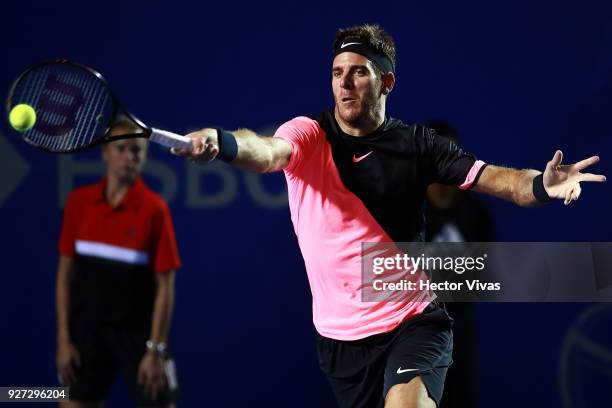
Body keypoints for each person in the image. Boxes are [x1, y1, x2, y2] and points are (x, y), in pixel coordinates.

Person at [172, 24, 606, 408]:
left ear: (387, 82)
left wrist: (543, 186)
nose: (346, 84)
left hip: (413, 322)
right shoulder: (309, 134)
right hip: (340, 342)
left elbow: (502, 182)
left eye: (360, 72)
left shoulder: (419, 144)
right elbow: (266, 152)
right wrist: (222, 141)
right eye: (338, 73)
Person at [56, 116, 181, 408]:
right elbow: (65, 274)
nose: (130, 157)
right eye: (122, 148)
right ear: (105, 153)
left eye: (137, 150)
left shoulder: (155, 210)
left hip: (139, 336)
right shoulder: (78, 203)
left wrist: (156, 350)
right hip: (87, 332)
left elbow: (165, 287)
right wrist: (64, 339)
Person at [424, 121, 493, 408]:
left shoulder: (474, 212)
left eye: (454, 156)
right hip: (410, 336)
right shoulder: (400, 211)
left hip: (458, 332)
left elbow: (485, 268)